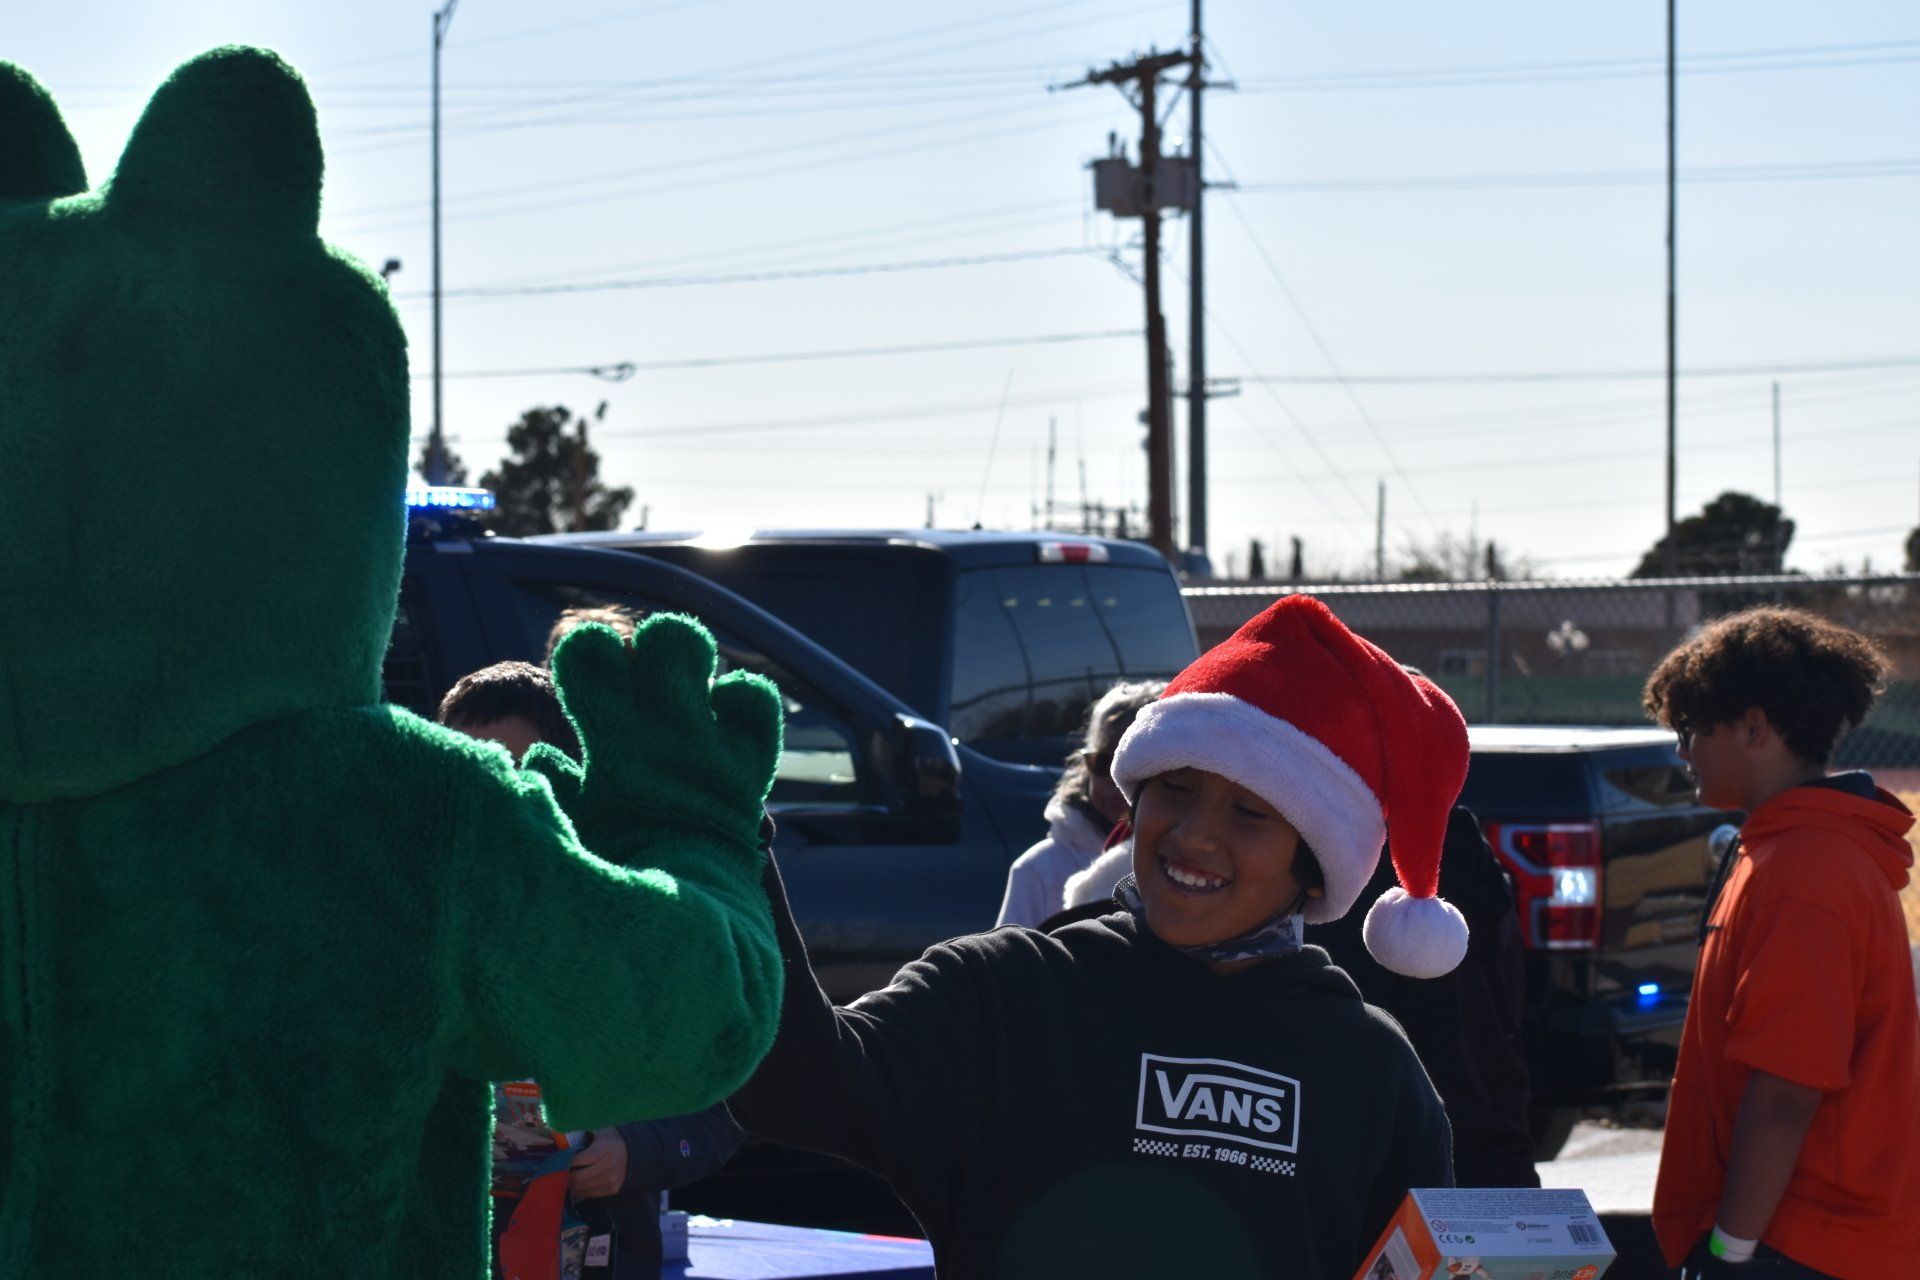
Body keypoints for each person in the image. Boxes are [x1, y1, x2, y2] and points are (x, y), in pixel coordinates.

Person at [731, 595, 1476, 1277]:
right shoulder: (1004, 992)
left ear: (1312, 868)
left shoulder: (1368, 1066)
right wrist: (729, 841)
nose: (1193, 835)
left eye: (1250, 814)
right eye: (1174, 788)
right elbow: (794, 1087)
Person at [440, 662, 747, 1280]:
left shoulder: (633, 914)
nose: (494, 795)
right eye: (465, 770)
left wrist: (636, 1150)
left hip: (595, 1247)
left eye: (516, 771)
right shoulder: (407, 913)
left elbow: (725, 1099)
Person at [1643, 607, 1919, 1279]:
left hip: (1803, 1245)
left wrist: (1729, 1251)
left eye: (1691, 730)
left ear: (1753, 728)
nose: (1682, 752)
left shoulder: (1805, 868)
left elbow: (1787, 1088)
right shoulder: (1785, 848)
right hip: (1797, 1239)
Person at [995, 680, 1163, 927]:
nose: (1116, 781)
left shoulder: (1179, 863)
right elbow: (1010, 950)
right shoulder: (1039, 869)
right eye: (1102, 763)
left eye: (1134, 768)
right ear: (1084, 764)